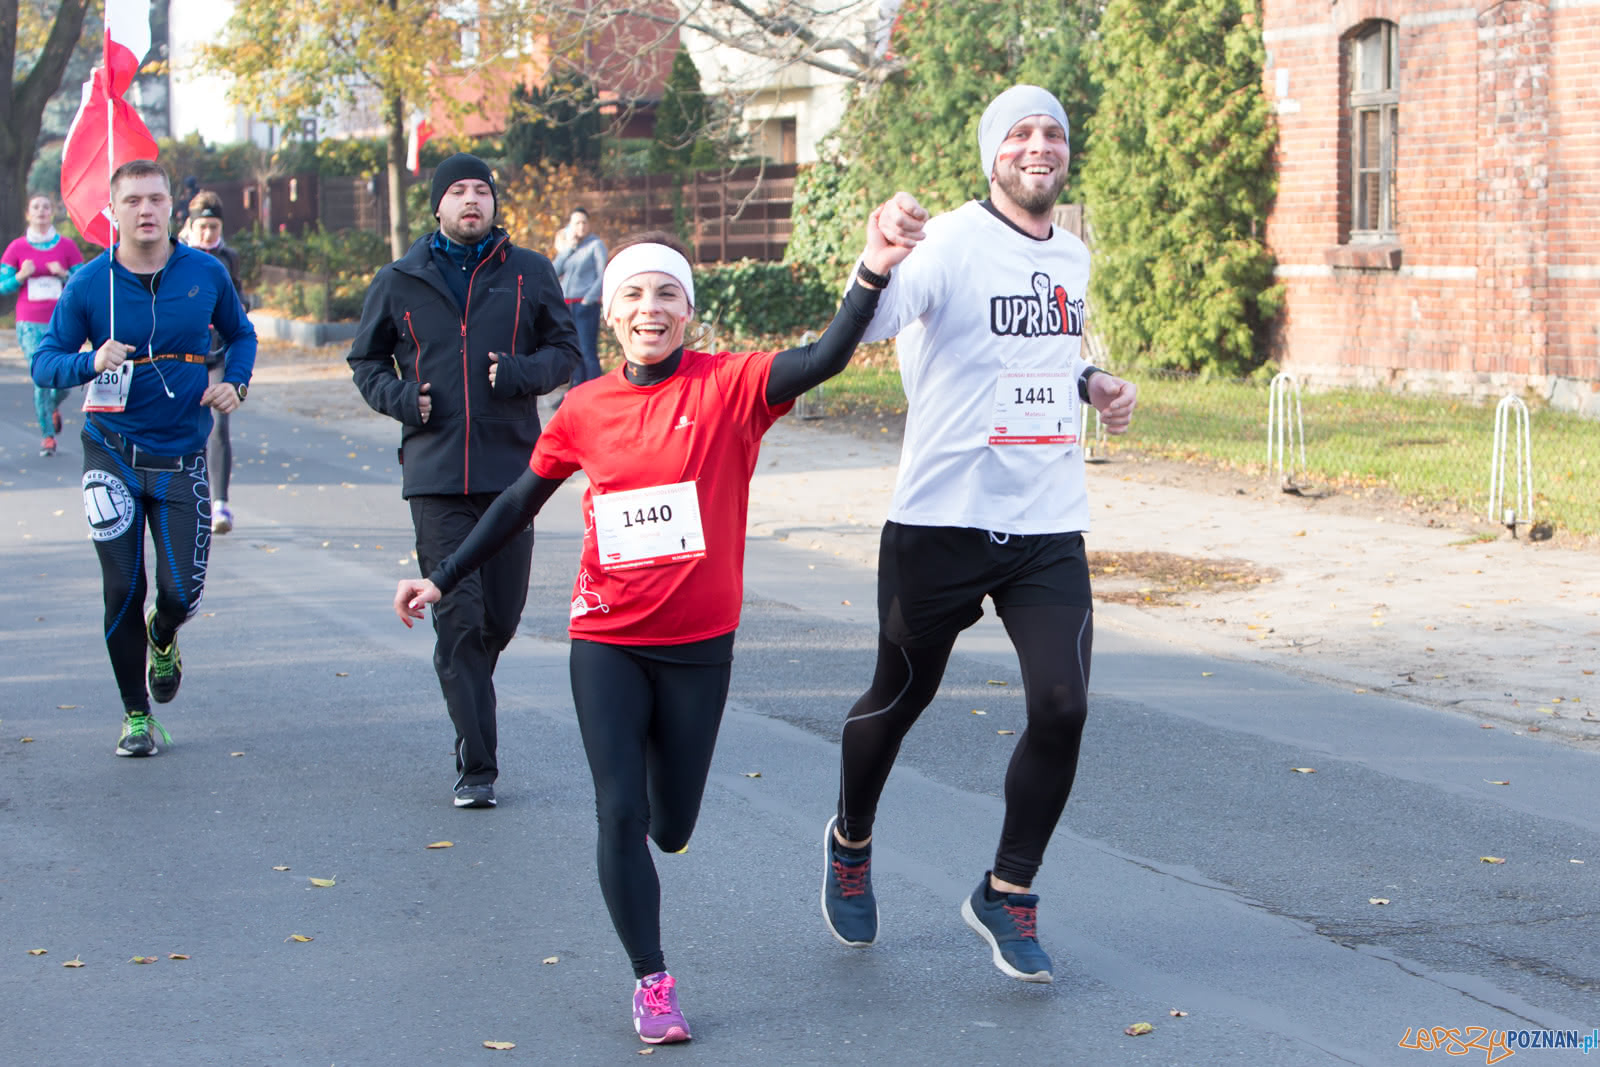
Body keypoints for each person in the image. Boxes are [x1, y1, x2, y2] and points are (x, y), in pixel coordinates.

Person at [392, 210, 915, 1044]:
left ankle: (648, 790)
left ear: (688, 310)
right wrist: (442, 574)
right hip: (606, 636)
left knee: (671, 825)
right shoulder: (585, 407)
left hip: (699, 648)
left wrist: (872, 270)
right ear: (611, 313)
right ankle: (652, 979)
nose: (649, 306)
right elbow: (517, 503)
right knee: (618, 810)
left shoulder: (729, 388)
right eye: (633, 292)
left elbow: (823, 358)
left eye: (667, 293)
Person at [818, 85, 1139, 984]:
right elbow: (872, 324)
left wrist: (1095, 383)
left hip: (1045, 521)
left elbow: (1047, 358)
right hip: (941, 519)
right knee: (899, 697)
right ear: (992, 153)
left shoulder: (1070, 253)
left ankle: (1008, 889)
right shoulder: (952, 240)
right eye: (1021, 134)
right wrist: (877, 260)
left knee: (1063, 706)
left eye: (1054, 133)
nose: (1040, 146)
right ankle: (850, 838)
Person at [349, 152, 581, 809]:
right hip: (436, 474)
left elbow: (564, 351)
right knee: (459, 618)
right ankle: (476, 765)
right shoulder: (399, 279)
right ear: (438, 206)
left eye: (482, 190)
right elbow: (365, 358)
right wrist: (400, 399)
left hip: (513, 474)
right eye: (458, 191)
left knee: (498, 618)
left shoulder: (529, 272)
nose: (472, 200)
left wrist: (520, 374)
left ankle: (470, 679)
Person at [30, 159, 256, 757]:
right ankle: (136, 715)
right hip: (110, 453)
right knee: (122, 588)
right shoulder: (88, 284)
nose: (146, 210)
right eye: (132, 201)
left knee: (180, 594)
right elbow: (45, 361)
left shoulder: (204, 272)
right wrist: (88, 362)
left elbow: (242, 334)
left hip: (182, 455)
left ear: (170, 208)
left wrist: (236, 381)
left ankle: (164, 635)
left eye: (156, 198)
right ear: (113, 211)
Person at [178, 190, 247, 534]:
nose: (208, 234)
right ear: (189, 226)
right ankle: (186, 498)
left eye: (214, 226)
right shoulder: (174, 256)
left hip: (217, 353)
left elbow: (239, 301)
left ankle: (220, 503)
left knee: (220, 425)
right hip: (180, 355)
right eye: (202, 226)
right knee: (186, 426)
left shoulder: (228, 258)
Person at [3, 193, 84, 455]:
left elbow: (84, 280)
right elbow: (2, 285)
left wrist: (64, 274)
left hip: (61, 321)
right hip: (29, 322)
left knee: (62, 378)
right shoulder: (16, 248)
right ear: (28, 213)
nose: (41, 211)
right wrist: (20, 276)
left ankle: (53, 406)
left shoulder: (67, 246)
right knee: (41, 377)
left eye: (46, 207)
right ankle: (48, 435)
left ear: (52, 212)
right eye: (36, 207)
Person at [551, 207, 606, 386]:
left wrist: (588, 299)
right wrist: (568, 248)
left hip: (585, 305)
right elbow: (554, 271)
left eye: (584, 222)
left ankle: (596, 390)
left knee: (587, 350)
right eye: (577, 223)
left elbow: (603, 274)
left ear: (589, 224)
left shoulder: (595, 245)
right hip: (567, 305)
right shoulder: (570, 248)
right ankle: (576, 390)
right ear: (570, 226)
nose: (581, 226)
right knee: (573, 350)